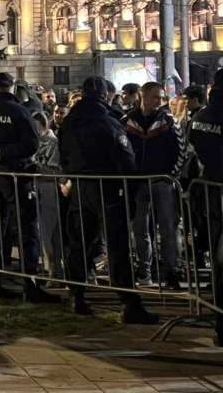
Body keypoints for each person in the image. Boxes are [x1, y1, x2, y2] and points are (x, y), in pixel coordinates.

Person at [58, 76, 158, 323]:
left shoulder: (70, 121)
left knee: (80, 243)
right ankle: (128, 303)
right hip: (109, 188)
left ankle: (77, 295)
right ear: (105, 95)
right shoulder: (108, 121)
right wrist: (131, 189)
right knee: (117, 246)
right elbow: (125, 157)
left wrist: (72, 177)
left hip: (80, 187)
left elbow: (64, 155)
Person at [0, 71, 57, 303]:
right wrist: (4, 154)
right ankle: (29, 284)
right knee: (26, 230)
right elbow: (31, 144)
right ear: (13, 88)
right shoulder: (20, 112)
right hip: (16, 178)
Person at [123, 81, 183, 289]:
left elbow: (180, 150)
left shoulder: (168, 120)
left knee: (168, 228)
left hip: (162, 181)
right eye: (156, 97)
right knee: (140, 230)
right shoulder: (127, 121)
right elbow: (123, 152)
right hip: (137, 183)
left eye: (161, 97)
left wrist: (170, 175)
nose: (159, 101)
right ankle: (144, 270)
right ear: (143, 96)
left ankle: (171, 271)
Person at [187, 68, 223, 344]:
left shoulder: (200, 117)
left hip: (210, 188)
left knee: (218, 257)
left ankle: (220, 320)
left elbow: (192, 150)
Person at [32, 111, 65, 281]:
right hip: (39, 189)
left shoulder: (53, 143)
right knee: (45, 232)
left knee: (49, 231)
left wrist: (32, 167)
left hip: (49, 189)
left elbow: (55, 170)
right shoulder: (34, 142)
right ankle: (53, 268)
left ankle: (54, 268)